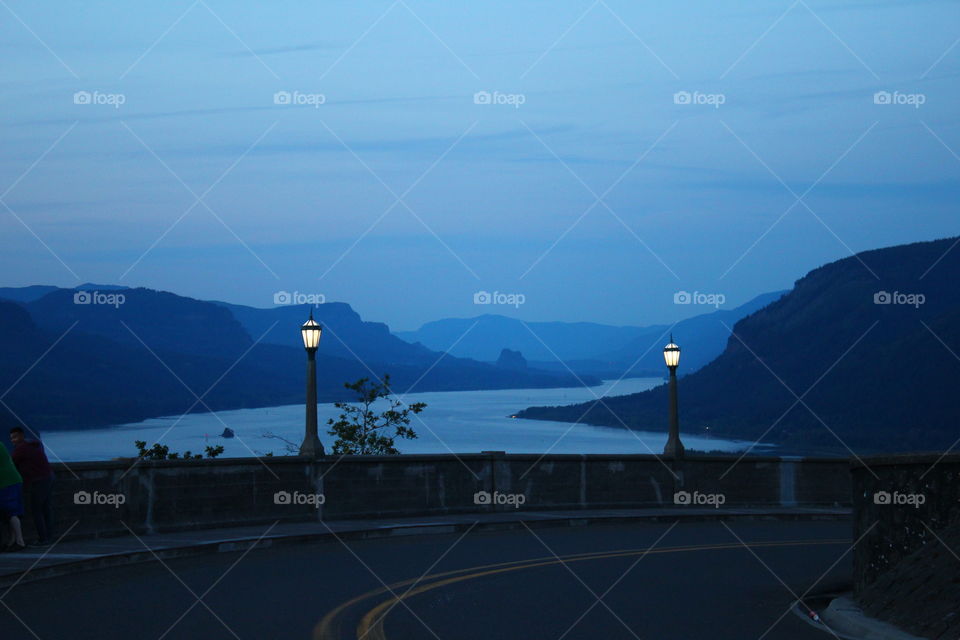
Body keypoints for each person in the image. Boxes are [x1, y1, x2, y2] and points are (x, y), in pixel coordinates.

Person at [10, 427, 55, 545]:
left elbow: (11, 463)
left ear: (21, 436)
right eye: (11, 438)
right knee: (46, 508)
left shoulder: (21, 448)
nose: (13, 440)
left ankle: (43, 539)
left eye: (14, 437)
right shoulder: (32, 445)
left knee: (37, 510)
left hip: (39, 480)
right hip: (48, 476)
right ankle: (49, 537)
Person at [0, 442, 25, 552]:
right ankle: (12, 541)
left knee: (10, 512)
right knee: (13, 512)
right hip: (14, 480)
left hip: (6, 482)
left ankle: (20, 541)